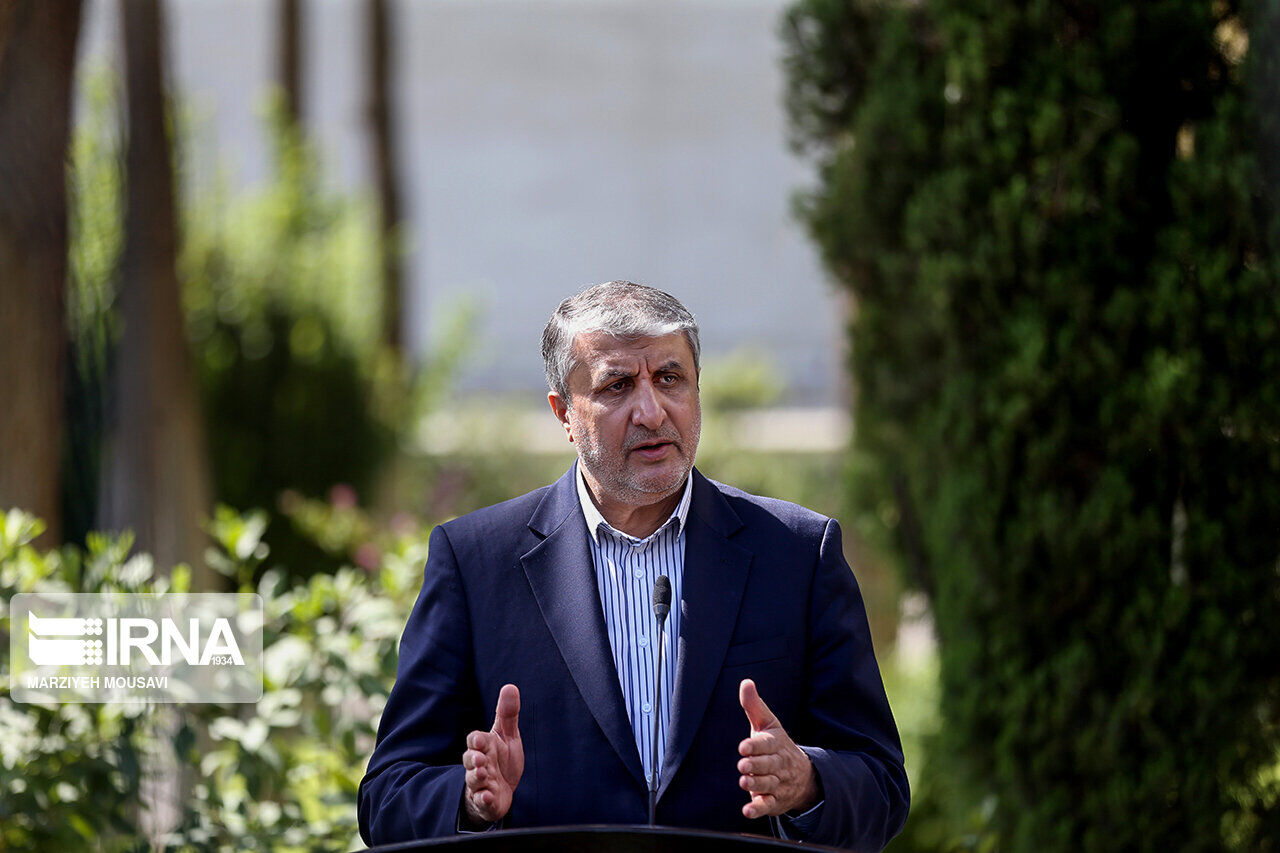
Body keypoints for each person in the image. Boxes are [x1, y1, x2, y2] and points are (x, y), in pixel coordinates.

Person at [358, 282, 909, 850]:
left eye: (670, 379)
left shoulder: (797, 552)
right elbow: (387, 798)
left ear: (697, 389)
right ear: (564, 413)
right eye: (617, 386)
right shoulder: (476, 562)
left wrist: (808, 782)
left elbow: (881, 782)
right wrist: (471, 803)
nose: (651, 411)